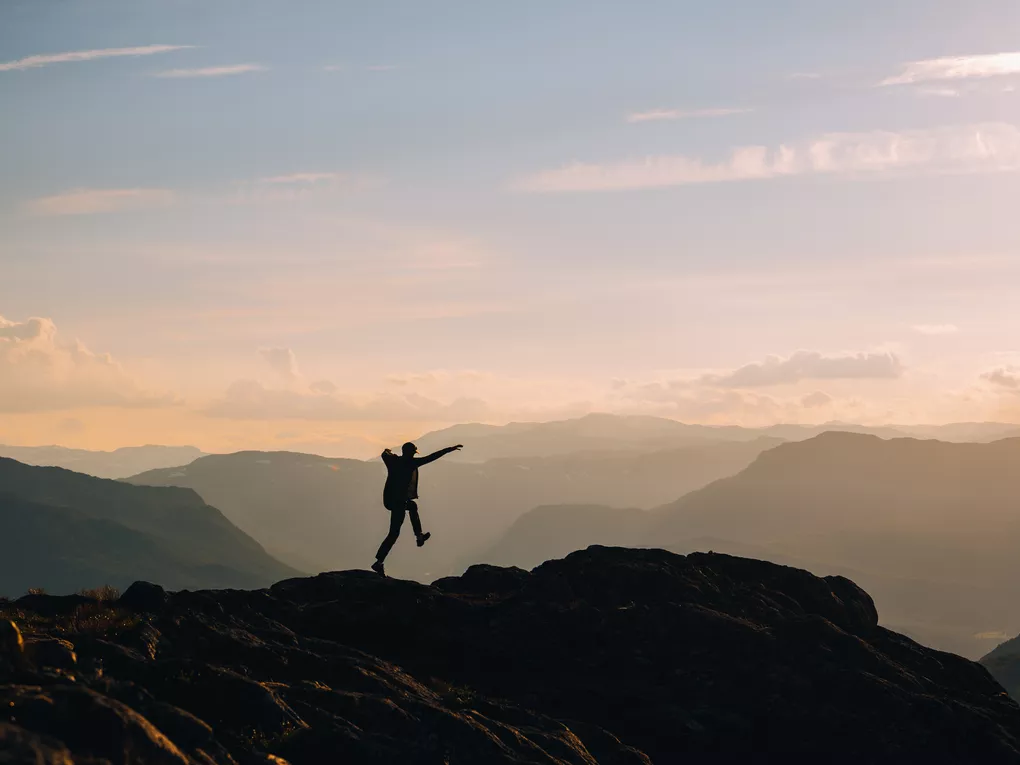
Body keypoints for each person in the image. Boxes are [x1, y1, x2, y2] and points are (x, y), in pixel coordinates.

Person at [372, 441, 463, 576]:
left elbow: (384, 454)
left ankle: (419, 536)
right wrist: (449, 449)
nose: (414, 455)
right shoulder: (411, 463)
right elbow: (431, 457)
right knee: (394, 533)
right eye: (414, 453)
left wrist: (388, 451)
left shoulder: (393, 461)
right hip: (399, 503)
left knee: (412, 506)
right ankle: (379, 562)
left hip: (391, 500)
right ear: (411, 453)